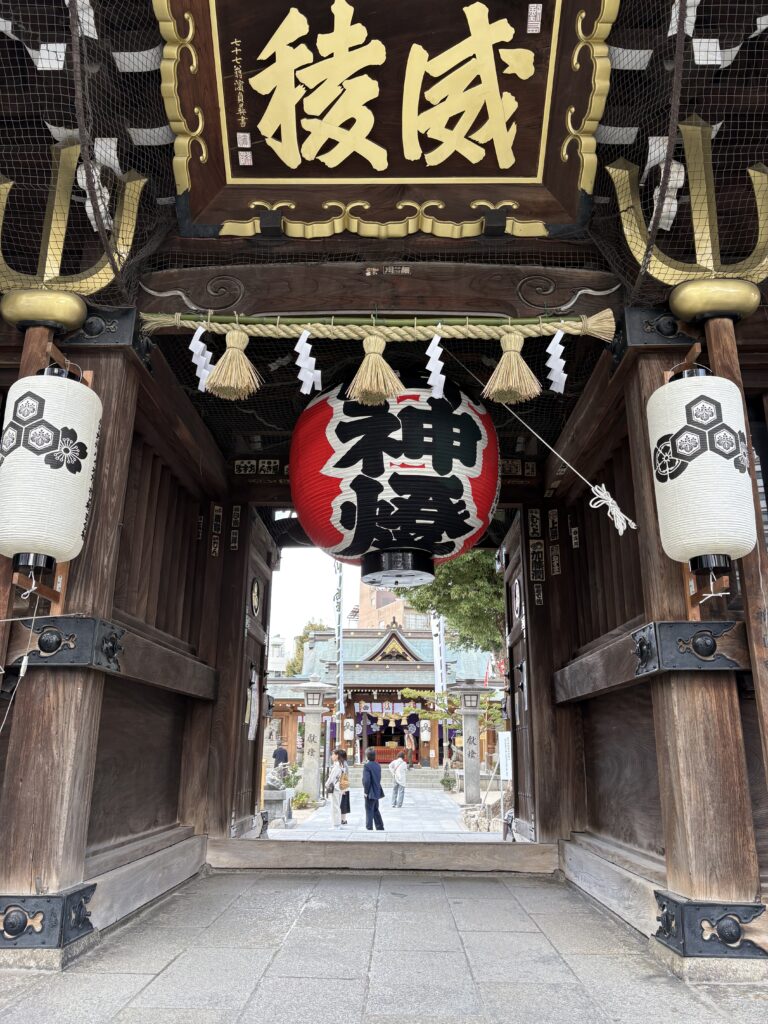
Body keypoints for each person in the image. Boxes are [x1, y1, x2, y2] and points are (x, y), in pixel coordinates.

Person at [362, 747, 385, 831]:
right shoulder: (378, 765)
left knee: (369, 810)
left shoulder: (367, 766)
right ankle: (380, 826)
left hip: (370, 792)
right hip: (377, 790)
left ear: (367, 756)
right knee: (375, 809)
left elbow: (366, 780)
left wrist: (365, 792)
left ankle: (369, 827)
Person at [338, 748, 350, 825]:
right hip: (344, 786)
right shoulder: (344, 763)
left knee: (342, 803)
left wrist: (343, 788)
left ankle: (343, 819)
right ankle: (343, 819)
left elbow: (344, 776)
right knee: (343, 803)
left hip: (343, 786)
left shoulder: (343, 764)